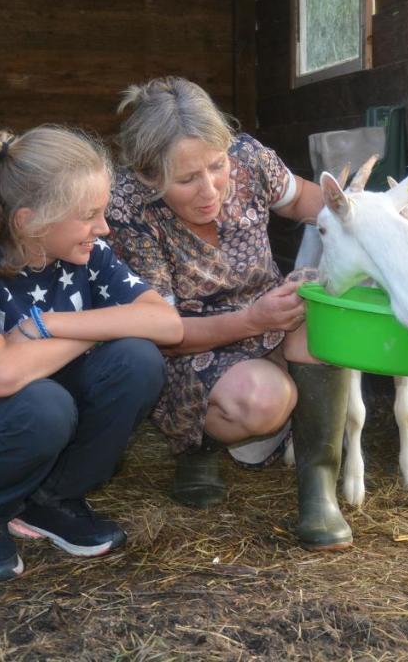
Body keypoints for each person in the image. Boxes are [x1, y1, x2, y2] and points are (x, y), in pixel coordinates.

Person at [0, 125, 183, 583]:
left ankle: (52, 499)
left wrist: (45, 326)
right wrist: (99, 328)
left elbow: (166, 324)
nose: (103, 228)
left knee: (138, 360)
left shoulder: (88, 254)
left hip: (43, 412)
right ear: (30, 222)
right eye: (89, 215)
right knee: (44, 402)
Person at [106, 76, 354, 551]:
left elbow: (308, 199)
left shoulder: (249, 157)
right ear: (148, 176)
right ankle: (197, 447)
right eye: (186, 179)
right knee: (265, 400)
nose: (209, 189)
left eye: (216, 167)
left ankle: (318, 491)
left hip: (265, 318)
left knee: (320, 312)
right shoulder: (127, 206)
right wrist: (254, 321)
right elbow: (159, 332)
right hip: (188, 348)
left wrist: (374, 215)